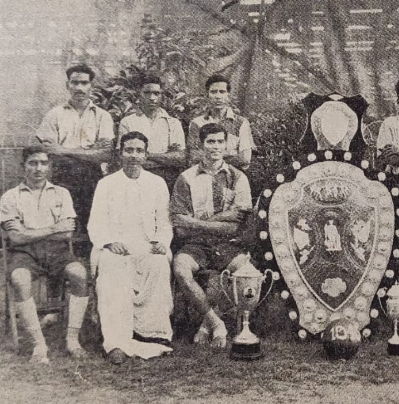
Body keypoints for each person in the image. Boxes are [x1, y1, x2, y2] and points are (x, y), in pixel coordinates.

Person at [88, 131, 174, 364]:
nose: (134, 156)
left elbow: (165, 223)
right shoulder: (106, 184)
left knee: (158, 264)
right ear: (120, 153)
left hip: (147, 246)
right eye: (129, 150)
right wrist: (108, 242)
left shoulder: (157, 183)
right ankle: (116, 341)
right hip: (115, 246)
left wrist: (161, 243)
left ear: (146, 155)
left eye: (139, 151)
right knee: (113, 268)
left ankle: (153, 334)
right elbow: (96, 223)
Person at [0, 146, 89, 363]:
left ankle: (72, 339)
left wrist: (30, 232)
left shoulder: (61, 193)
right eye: (33, 163)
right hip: (24, 254)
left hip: (58, 252)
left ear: (49, 167)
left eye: (43, 163)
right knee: (20, 279)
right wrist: (51, 229)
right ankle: (40, 345)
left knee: (79, 273)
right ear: (23, 167)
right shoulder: (10, 197)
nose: (38, 168)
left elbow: (67, 232)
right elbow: (16, 238)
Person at [172, 123, 254, 347]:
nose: (215, 147)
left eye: (220, 141)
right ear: (201, 144)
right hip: (195, 244)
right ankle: (216, 323)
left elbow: (236, 226)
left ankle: (205, 326)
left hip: (228, 244)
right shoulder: (186, 178)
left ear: (226, 145)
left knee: (249, 273)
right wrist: (220, 220)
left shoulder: (238, 178)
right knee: (180, 267)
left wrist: (197, 221)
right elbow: (180, 227)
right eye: (210, 142)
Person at [36, 63, 114, 231]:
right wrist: (91, 150)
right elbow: (49, 150)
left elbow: (105, 154)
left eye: (84, 83)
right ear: (67, 85)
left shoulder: (103, 116)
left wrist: (63, 149)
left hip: (92, 177)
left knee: (92, 225)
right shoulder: (54, 114)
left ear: (91, 86)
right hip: (62, 176)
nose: (79, 88)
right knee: (64, 224)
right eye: (75, 82)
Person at [118, 74, 186, 186]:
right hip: (136, 179)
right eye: (147, 93)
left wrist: (145, 155)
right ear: (139, 94)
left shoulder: (173, 123)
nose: (152, 98)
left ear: (161, 95)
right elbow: (125, 158)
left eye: (156, 93)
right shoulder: (128, 122)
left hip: (166, 179)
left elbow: (180, 158)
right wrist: (164, 159)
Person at [187, 74, 255, 171]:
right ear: (207, 95)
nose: (218, 96)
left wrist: (210, 154)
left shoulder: (241, 122)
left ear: (228, 95)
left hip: (233, 177)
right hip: (204, 176)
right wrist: (232, 152)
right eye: (213, 92)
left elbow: (244, 158)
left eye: (222, 92)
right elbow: (193, 156)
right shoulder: (197, 123)